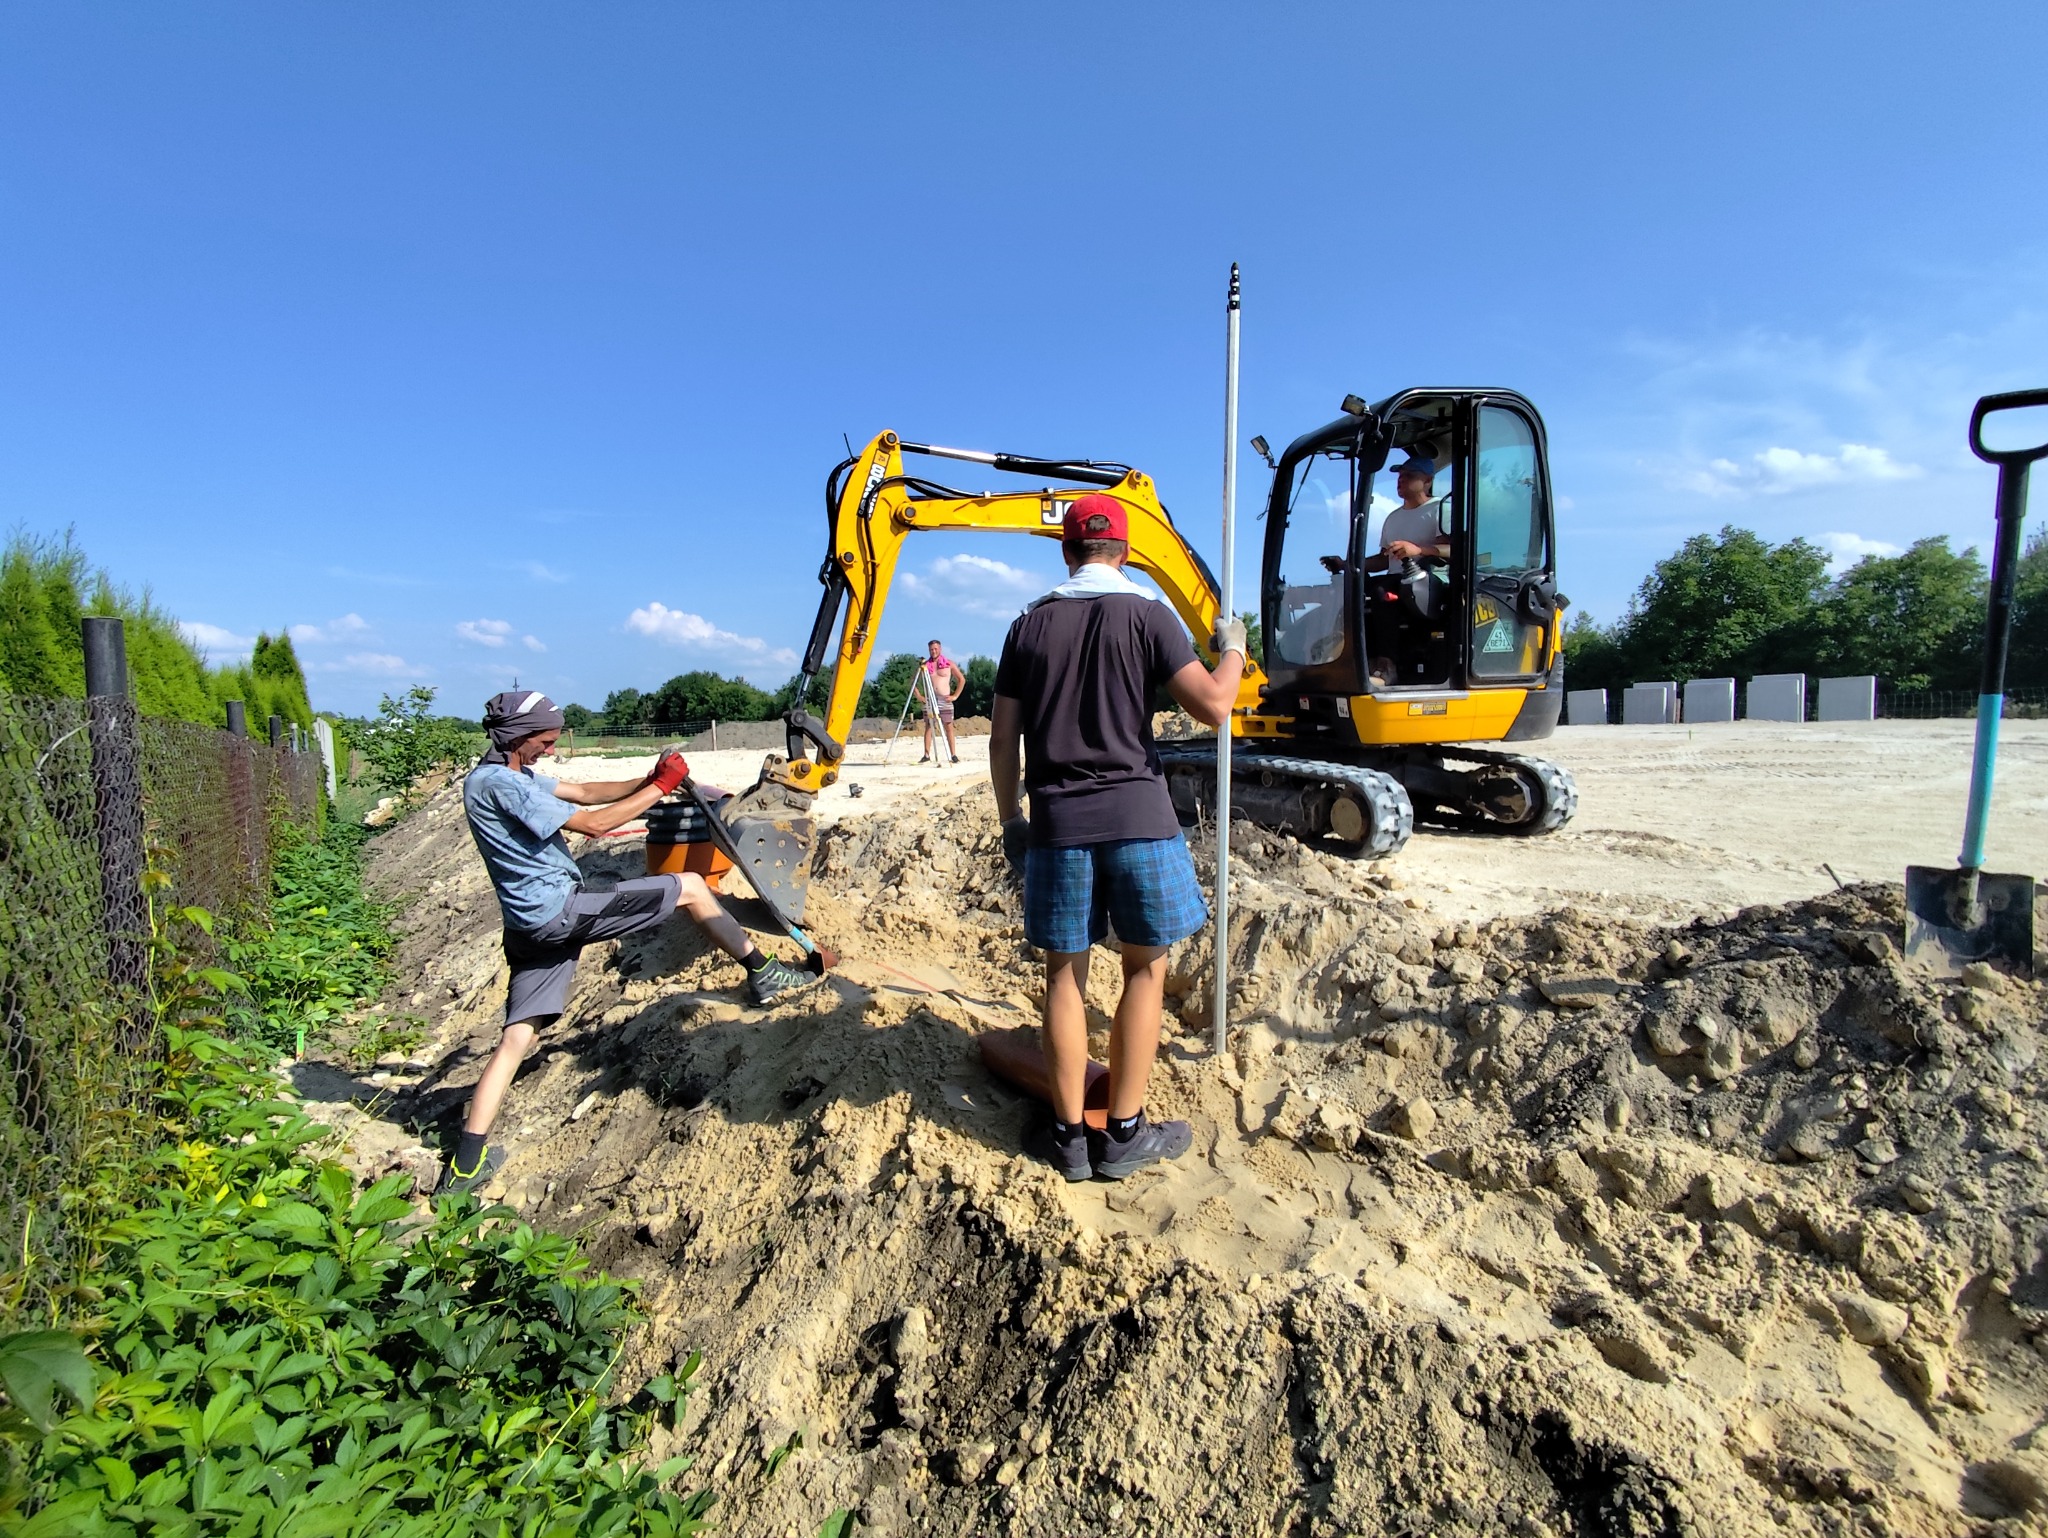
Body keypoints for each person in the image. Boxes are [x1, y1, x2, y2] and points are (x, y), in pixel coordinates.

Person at [439, 690, 820, 1195]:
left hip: (527, 925)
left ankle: (465, 1165)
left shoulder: (505, 775)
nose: (550, 750)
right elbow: (596, 824)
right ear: (518, 736)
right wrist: (662, 788)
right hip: (560, 911)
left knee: (516, 1037)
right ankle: (764, 972)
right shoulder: (502, 786)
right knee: (688, 885)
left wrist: (648, 777)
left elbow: (584, 791)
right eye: (545, 741)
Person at [989, 495, 1247, 1181]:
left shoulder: (1028, 625)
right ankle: (1125, 1134)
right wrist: (1236, 649)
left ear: (1067, 551)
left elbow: (1003, 738)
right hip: (1139, 818)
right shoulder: (1147, 614)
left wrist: (1012, 818)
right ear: (1126, 552)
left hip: (1058, 825)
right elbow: (1217, 705)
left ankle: (1069, 1138)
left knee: (1064, 976)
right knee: (1143, 970)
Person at [918, 639, 965, 765]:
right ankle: (926, 754)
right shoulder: (925, 665)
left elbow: (961, 679)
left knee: (948, 727)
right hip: (930, 699)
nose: (933, 651)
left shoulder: (949, 663)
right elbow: (913, 682)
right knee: (929, 727)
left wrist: (955, 696)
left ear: (940, 649)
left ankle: (953, 754)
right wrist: (919, 696)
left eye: (935, 649)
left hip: (945, 699)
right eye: (931, 649)